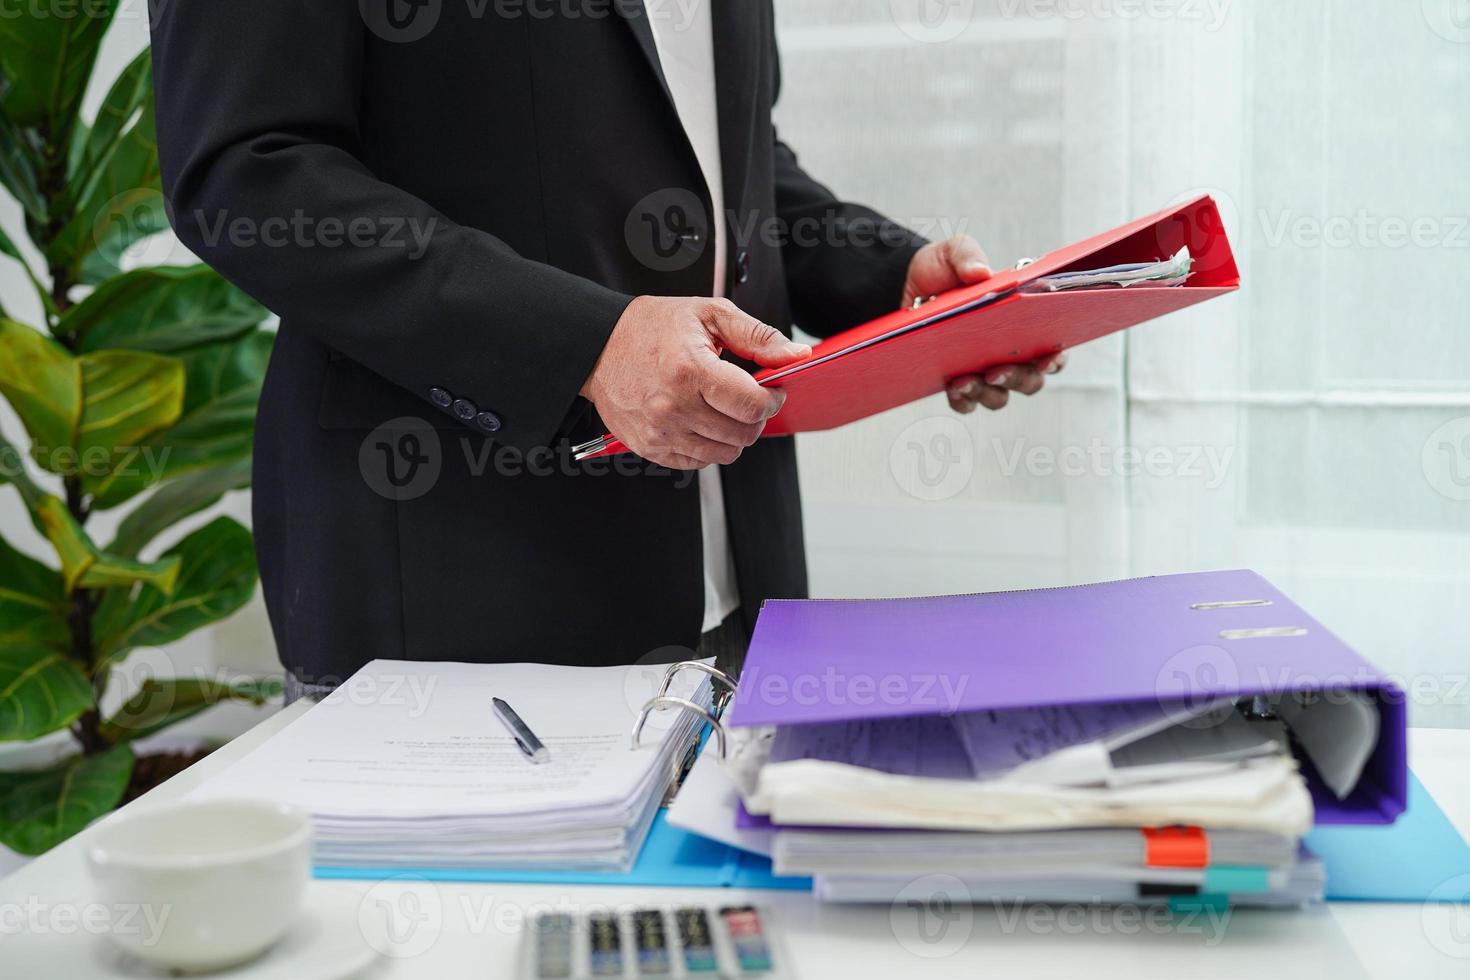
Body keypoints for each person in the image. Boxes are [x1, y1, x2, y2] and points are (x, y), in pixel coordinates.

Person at [149, 0, 1063, 698]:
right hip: (457, 594)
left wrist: (894, 279)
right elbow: (247, 170)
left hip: (746, 593)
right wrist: (586, 345)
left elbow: (718, 164)